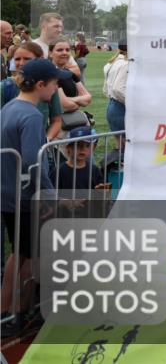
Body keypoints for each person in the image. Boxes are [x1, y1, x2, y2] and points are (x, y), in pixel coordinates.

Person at [2, 58, 60, 317]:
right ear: (40, 84)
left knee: (21, 251)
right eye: (55, 84)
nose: (56, 89)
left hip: (8, 193)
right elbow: (32, 161)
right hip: (24, 197)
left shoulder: (9, 108)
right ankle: (17, 310)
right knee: (29, 253)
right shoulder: (32, 116)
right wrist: (48, 195)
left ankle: (10, 308)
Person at [2, 43, 64, 141]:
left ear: (40, 60)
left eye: (27, 59)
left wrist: (46, 140)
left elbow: (57, 120)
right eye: (17, 59)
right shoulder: (5, 87)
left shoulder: (48, 87)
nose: (21, 63)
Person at [50, 39, 92, 131]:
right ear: (50, 53)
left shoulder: (69, 73)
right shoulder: (50, 74)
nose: (64, 53)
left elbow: (88, 98)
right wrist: (78, 102)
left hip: (73, 122)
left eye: (67, 50)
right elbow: (65, 106)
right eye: (59, 50)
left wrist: (69, 100)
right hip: (58, 127)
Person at [103, 42, 128, 137]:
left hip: (112, 104)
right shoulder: (126, 64)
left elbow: (106, 88)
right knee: (125, 144)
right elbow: (118, 89)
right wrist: (132, 103)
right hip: (121, 106)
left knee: (119, 143)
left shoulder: (110, 63)